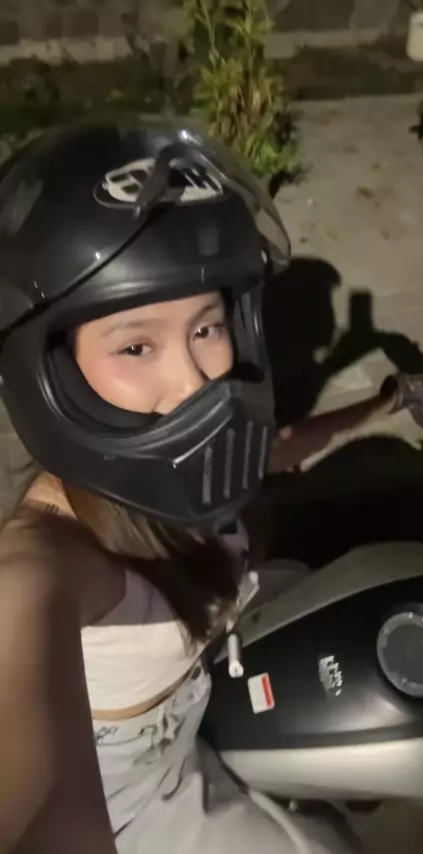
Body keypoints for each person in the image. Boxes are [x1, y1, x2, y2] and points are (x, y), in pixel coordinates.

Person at [0, 119, 394, 853]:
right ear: (49, 373)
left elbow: (274, 451)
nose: (192, 382)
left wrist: (377, 407)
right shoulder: (47, 565)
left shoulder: (195, 465)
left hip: (210, 686)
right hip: (141, 811)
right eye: (136, 345)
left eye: (207, 328)